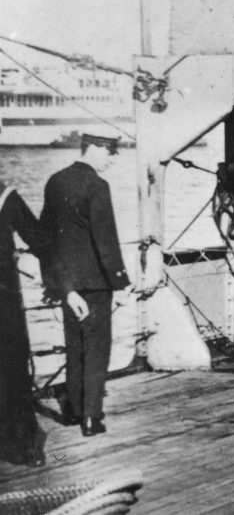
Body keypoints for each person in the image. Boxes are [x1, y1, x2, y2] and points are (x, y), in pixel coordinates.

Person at [40, 133, 131, 437]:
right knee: (96, 348)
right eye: (109, 151)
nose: (112, 157)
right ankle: (91, 417)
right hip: (95, 284)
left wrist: (59, 285)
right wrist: (120, 283)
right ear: (92, 149)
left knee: (75, 347)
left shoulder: (55, 181)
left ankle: (75, 412)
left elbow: (45, 237)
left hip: (68, 285)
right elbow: (106, 242)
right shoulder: (97, 186)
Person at [0, 182, 50, 466]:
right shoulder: (4, 195)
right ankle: (22, 446)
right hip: (3, 299)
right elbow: (39, 238)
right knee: (12, 369)